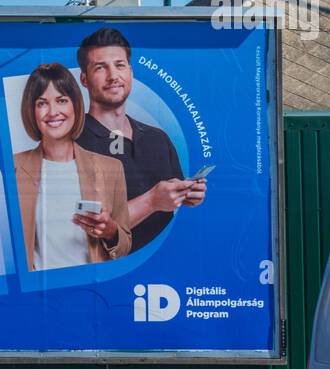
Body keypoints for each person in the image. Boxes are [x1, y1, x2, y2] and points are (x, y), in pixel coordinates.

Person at [74, 27, 206, 251]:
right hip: (106, 274)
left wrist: (187, 194)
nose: (113, 75)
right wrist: (153, 200)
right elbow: (82, 225)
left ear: (131, 72)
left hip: (161, 267)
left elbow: (171, 200)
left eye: (120, 65)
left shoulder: (158, 139)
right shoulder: (72, 143)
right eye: (100, 67)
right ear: (84, 79)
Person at [12, 63, 131, 271]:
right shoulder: (11, 169)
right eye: (42, 103)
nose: (53, 112)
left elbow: (124, 248)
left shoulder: (111, 168)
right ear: (31, 111)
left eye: (62, 101)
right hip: (37, 294)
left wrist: (110, 231)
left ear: (75, 105)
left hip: (91, 292)